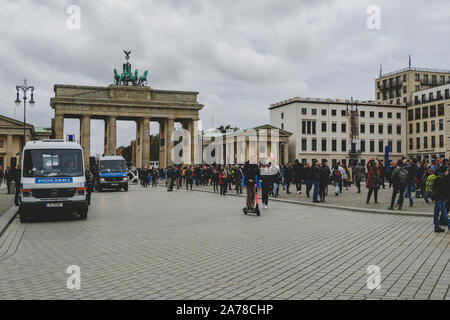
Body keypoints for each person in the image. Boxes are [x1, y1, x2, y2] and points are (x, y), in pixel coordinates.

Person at [431, 166, 450, 233]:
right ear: (444, 171)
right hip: (440, 198)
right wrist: (445, 197)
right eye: (446, 170)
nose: (447, 172)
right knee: (444, 212)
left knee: (436, 213)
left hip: (436, 197)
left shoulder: (437, 177)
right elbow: (443, 190)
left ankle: (436, 227)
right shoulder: (442, 179)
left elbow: (434, 188)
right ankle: (449, 224)